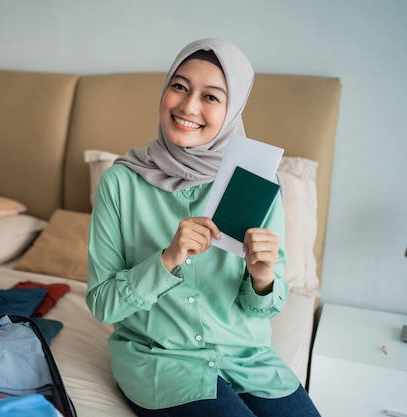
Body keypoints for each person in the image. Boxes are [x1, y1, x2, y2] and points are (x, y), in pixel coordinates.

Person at [85, 38, 322, 417]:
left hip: (248, 360)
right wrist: (167, 259)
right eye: (178, 86)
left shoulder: (257, 184)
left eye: (211, 97)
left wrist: (262, 278)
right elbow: (102, 304)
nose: (188, 106)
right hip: (161, 363)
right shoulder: (120, 183)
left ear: (232, 110)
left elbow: (264, 309)